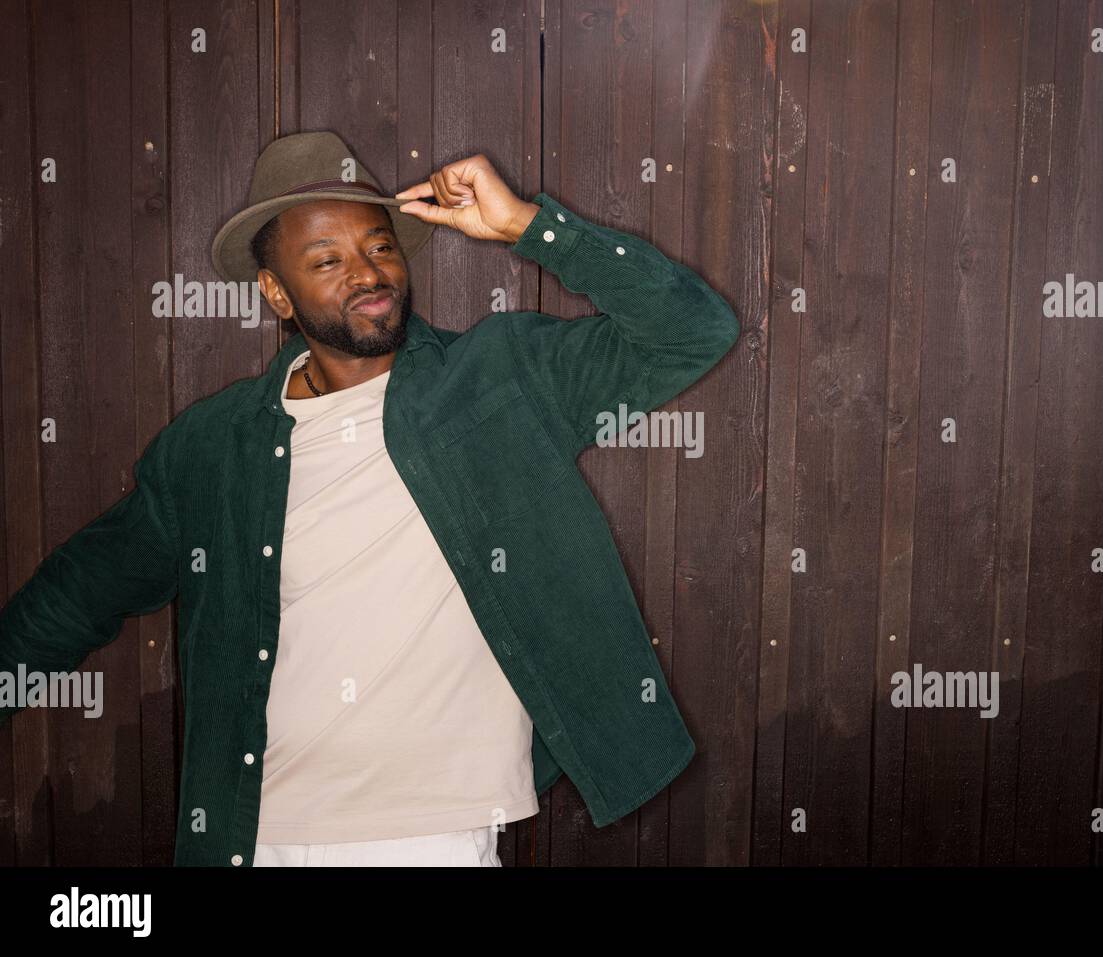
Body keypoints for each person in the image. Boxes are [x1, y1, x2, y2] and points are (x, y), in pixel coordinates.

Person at [0, 130, 739, 867]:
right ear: (276, 292)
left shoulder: (501, 376)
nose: (367, 273)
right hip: (256, 835)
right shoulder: (212, 448)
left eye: (379, 246)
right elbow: (80, 592)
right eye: (327, 259)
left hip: (433, 835)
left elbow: (694, 330)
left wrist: (527, 224)